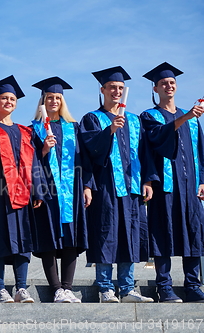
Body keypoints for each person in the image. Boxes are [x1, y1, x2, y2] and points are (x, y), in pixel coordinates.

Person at [80, 66, 155, 303]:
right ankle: (105, 288)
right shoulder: (92, 118)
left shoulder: (134, 120)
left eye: (120, 88)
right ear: (102, 89)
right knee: (106, 235)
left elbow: (145, 154)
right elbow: (88, 150)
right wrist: (110, 130)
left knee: (130, 236)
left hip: (132, 189)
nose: (116, 91)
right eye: (112, 87)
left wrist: (148, 181)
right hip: (105, 187)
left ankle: (127, 287)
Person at [140, 62, 204, 303]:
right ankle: (164, 286)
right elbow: (158, 138)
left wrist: (203, 180)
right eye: (164, 83)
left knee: (194, 232)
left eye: (172, 82)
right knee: (163, 232)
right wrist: (187, 116)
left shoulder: (191, 117)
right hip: (165, 186)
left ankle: (192, 285)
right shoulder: (150, 116)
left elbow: (200, 151)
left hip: (190, 186)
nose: (169, 85)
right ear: (155, 89)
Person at [0, 75, 45, 303]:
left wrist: (38, 190)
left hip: (23, 193)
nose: (8, 101)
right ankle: (0, 288)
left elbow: (34, 162)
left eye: (12, 99)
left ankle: (21, 287)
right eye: (3, 98)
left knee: (23, 238)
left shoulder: (26, 132)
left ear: (16, 103)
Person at [30, 77, 92, 303]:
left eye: (57, 98)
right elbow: (29, 162)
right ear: (43, 101)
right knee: (48, 236)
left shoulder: (74, 127)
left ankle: (68, 288)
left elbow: (84, 159)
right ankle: (56, 288)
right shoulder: (33, 129)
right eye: (49, 98)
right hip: (46, 190)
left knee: (71, 238)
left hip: (72, 190)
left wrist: (87, 186)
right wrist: (44, 149)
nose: (54, 101)